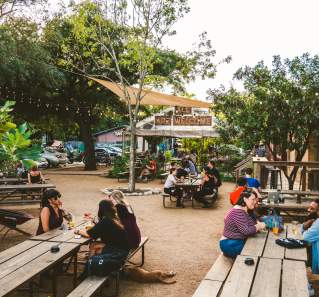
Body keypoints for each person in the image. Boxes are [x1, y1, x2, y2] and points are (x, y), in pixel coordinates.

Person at [76, 200, 130, 277]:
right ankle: (90, 268)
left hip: (118, 251)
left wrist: (77, 231)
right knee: (94, 245)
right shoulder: (115, 218)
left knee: (93, 246)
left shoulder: (106, 220)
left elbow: (89, 235)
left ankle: (89, 270)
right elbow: (102, 227)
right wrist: (94, 221)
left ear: (101, 209)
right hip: (123, 248)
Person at [220, 190, 266, 258]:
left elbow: (251, 224)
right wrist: (258, 226)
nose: (255, 202)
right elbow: (246, 231)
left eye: (255, 200)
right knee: (258, 251)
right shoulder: (238, 212)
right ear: (245, 199)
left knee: (260, 248)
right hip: (229, 244)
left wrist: (257, 224)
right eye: (252, 199)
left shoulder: (244, 210)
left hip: (237, 241)